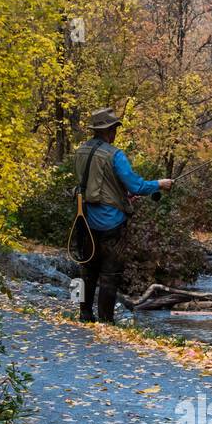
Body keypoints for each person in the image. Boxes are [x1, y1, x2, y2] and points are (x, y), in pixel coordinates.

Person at [73, 107, 173, 323]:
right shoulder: (115, 155)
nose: (116, 132)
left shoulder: (80, 151)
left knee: (87, 270)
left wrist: (122, 194)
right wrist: (160, 184)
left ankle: (84, 314)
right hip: (111, 223)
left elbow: (95, 184)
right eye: (115, 128)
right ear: (109, 130)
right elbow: (136, 185)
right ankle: (106, 321)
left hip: (84, 220)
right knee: (110, 273)